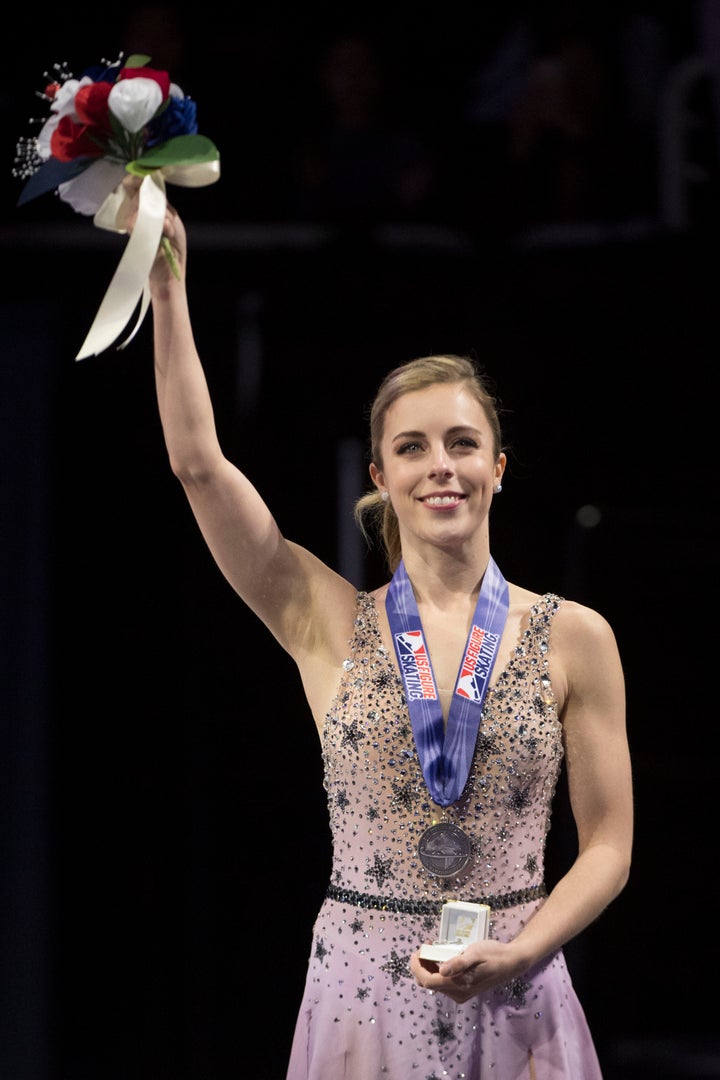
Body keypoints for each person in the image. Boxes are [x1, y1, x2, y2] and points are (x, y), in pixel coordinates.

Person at [123, 174, 633, 1078]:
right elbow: (198, 466)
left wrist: (521, 953)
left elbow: (609, 847)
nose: (442, 466)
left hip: (518, 988)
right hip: (363, 991)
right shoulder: (321, 615)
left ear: (499, 468)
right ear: (381, 473)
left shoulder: (575, 636)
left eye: (463, 443)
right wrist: (167, 284)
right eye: (413, 447)